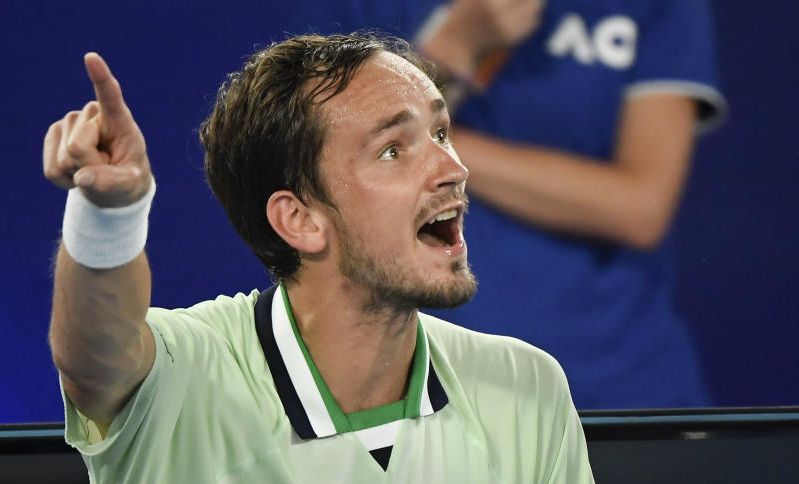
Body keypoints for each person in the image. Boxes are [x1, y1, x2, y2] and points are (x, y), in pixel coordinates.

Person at [45, 33, 630, 484]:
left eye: (441, 133)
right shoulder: (182, 375)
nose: (453, 169)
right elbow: (92, 351)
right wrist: (108, 219)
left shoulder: (524, 390)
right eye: (392, 150)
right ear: (300, 220)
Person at [294, 0, 728, 409]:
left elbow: (641, 207)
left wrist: (417, 150)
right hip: (417, 384)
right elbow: (325, 160)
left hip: (617, 389)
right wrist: (453, 48)